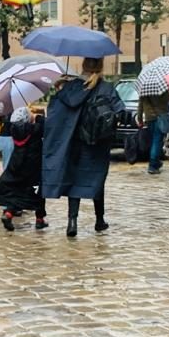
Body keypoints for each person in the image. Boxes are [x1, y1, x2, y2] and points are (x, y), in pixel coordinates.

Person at [42, 58, 126, 238]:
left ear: (83, 66)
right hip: (97, 145)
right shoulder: (107, 88)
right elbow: (120, 112)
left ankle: (72, 221)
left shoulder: (71, 88)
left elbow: (55, 116)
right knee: (96, 179)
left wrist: (60, 89)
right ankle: (99, 220)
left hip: (74, 144)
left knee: (74, 182)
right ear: (101, 66)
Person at [0, 108, 47, 231]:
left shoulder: (14, 130)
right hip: (33, 167)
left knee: (17, 191)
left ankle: (8, 213)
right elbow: (46, 126)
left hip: (17, 164)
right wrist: (36, 117)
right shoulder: (35, 129)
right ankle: (40, 219)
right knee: (38, 192)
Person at [137, 89, 169, 174]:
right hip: (160, 117)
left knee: (154, 140)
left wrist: (140, 119)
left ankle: (156, 162)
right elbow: (168, 102)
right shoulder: (162, 90)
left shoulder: (144, 90)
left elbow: (140, 106)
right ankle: (153, 165)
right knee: (157, 140)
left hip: (149, 118)